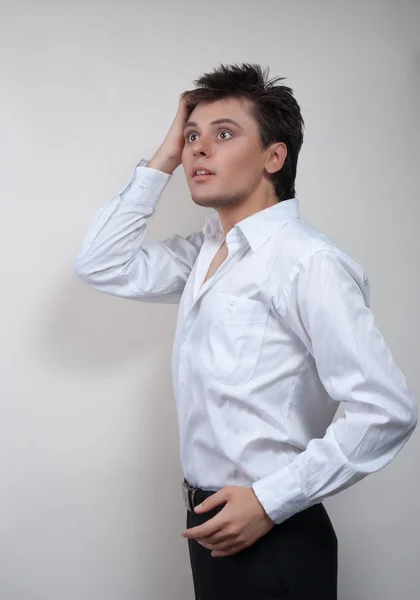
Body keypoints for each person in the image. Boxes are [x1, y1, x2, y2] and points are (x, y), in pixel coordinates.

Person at [74, 63, 417, 599]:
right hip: (210, 524)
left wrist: (268, 501)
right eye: (192, 136)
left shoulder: (308, 263)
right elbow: (100, 263)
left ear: (273, 157)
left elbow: (388, 409)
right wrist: (164, 155)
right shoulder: (205, 253)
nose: (198, 150)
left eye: (224, 134)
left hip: (275, 534)